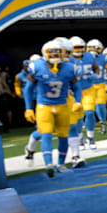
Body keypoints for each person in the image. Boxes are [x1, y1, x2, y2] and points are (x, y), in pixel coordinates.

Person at [23, 40, 83, 178]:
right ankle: (49, 164)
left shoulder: (69, 68)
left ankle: (61, 164)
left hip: (62, 105)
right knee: (46, 134)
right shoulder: (37, 67)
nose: (55, 54)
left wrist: (78, 101)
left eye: (58, 51)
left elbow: (76, 87)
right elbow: (28, 89)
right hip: (44, 106)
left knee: (63, 136)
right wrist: (28, 108)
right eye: (52, 52)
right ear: (45, 53)